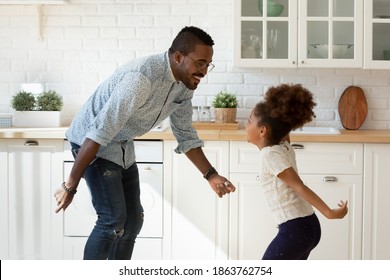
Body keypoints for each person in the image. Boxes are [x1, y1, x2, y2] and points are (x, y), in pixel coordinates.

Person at [54, 26, 236, 260]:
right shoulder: (142, 78)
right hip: (92, 141)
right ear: (179, 56)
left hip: (121, 142)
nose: (204, 71)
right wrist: (70, 185)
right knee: (112, 219)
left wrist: (211, 175)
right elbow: (99, 132)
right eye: (200, 63)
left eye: (207, 65)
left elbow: (185, 134)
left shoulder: (184, 85)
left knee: (133, 221)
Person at [245, 83, 348, 260]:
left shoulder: (270, 155)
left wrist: (329, 213)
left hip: (296, 230)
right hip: (307, 227)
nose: (244, 125)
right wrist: (281, 107)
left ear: (262, 130)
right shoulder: (283, 144)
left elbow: (299, 186)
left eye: (248, 121)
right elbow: (284, 125)